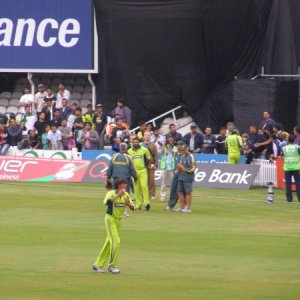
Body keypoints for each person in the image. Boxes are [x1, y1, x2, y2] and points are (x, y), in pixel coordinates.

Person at [92, 179, 135, 274]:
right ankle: (112, 266)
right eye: (124, 184)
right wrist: (118, 195)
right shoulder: (111, 193)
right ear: (119, 185)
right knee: (116, 241)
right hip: (110, 219)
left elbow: (133, 208)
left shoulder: (126, 195)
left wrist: (128, 204)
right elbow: (106, 203)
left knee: (108, 242)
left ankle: (97, 264)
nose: (126, 186)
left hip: (119, 221)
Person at [128, 137, 151, 210]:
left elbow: (148, 159)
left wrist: (147, 166)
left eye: (137, 142)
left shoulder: (144, 150)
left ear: (139, 143)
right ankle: (138, 204)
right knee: (136, 188)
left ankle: (147, 203)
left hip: (143, 170)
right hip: (134, 172)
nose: (135, 143)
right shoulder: (129, 151)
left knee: (144, 186)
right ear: (132, 143)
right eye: (134, 142)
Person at [177, 144, 196, 213]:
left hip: (188, 177)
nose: (183, 151)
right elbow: (180, 165)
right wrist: (178, 170)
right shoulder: (181, 156)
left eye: (184, 150)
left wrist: (185, 170)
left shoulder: (191, 156)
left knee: (188, 192)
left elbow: (193, 167)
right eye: (182, 150)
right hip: (181, 176)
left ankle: (188, 207)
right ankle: (182, 207)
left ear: (187, 149)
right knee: (179, 191)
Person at [282, 136, 300, 202]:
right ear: (294, 141)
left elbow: (282, 157)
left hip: (287, 167)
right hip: (295, 167)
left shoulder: (284, 148)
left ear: (288, 141)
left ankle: (289, 199)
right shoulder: (297, 147)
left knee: (288, 183)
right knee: (298, 183)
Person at [142, 131, 159, 200]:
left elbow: (156, 155)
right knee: (144, 180)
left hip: (151, 164)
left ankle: (152, 193)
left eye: (148, 135)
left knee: (151, 180)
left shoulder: (153, 145)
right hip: (142, 164)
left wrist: (155, 164)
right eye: (146, 135)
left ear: (150, 136)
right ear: (144, 136)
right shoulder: (141, 145)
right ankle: (144, 194)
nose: (147, 137)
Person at [160, 136, 177, 202]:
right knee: (163, 183)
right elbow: (161, 153)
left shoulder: (175, 148)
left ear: (173, 141)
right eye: (169, 140)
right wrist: (164, 145)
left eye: (172, 140)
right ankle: (162, 197)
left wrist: (170, 148)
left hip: (171, 168)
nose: (170, 141)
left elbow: (174, 154)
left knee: (173, 183)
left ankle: (173, 196)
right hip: (164, 167)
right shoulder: (165, 147)